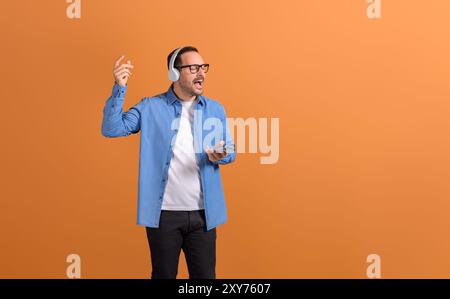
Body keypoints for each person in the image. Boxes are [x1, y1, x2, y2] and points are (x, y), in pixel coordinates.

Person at [101, 46, 236, 279]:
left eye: (203, 67)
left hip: (204, 215)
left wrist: (221, 153)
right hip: (164, 216)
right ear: (174, 74)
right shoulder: (150, 107)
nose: (201, 73)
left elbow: (231, 151)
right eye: (193, 68)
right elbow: (112, 129)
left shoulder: (215, 109)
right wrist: (119, 88)